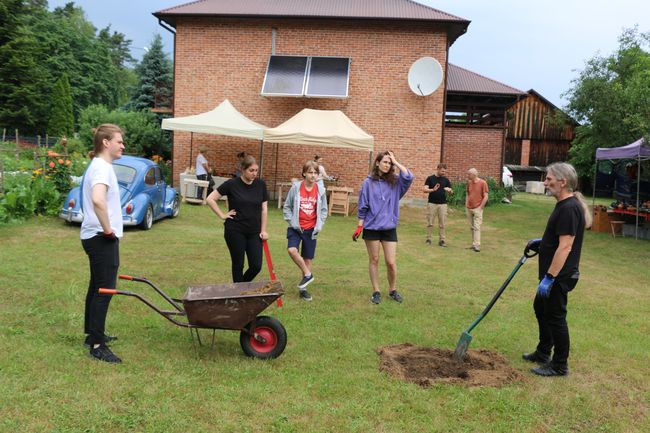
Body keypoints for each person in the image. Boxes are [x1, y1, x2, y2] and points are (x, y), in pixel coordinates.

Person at [522, 162, 591, 377]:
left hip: (559, 275)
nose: (545, 182)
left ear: (563, 182)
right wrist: (542, 243)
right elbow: (559, 238)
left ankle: (560, 365)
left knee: (556, 317)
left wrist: (550, 277)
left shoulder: (569, 208)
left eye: (549, 179)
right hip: (552, 273)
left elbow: (566, 246)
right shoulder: (563, 205)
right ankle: (544, 352)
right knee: (540, 308)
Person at [80, 124, 125, 363]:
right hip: (100, 237)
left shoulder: (99, 166)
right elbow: (98, 200)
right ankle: (98, 345)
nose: (123, 146)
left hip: (93, 236)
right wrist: (108, 229)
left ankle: (92, 334)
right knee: (104, 290)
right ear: (106, 142)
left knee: (96, 286)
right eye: (119, 141)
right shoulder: (102, 168)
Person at [353, 151, 413, 304]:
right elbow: (363, 206)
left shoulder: (396, 182)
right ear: (377, 163)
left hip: (388, 227)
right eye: (385, 162)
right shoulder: (367, 182)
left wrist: (396, 161)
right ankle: (376, 291)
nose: (387, 165)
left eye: (389, 163)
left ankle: (393, 290)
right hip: (371, 227)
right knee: (374, 259)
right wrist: (360, 227)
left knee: (391, 262)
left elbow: (409, 176)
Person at [206, 155, 269, 282]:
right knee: (238, 264)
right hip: (235, 231)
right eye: (251, 170)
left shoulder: (260, 184)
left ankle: (239, 289)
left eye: (256, 170)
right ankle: (238, 295)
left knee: (256, 266)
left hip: (254, 232)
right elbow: (210, 199)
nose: (254, 173)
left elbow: (264, 209)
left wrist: (263, 230)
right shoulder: (232, 184)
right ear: (243, 170)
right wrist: (222, 215)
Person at [283, 160, 328, 301]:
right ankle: (308, 274)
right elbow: (287, 206)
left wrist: (319, 225)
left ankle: (304, 289)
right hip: (296, 228)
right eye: (310, 172)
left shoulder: (320, 190)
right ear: (304, 173)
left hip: (311, 229)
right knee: (292, 250)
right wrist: (292, 221)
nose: (313, 175)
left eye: (315, 173)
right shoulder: (296, 188)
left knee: (308, 258)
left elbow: (324, 210)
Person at [423, 163, 453, 246]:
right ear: (438, 169)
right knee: (430, 222)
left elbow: (451, 191)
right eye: (442, 171)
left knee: (442, 223)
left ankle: (442, 240)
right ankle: (429, 239)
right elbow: (424, 189)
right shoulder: (430, 178)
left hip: (443, 204)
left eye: (445, 171)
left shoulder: (446, 180)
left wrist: (449, 191)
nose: (444, 173)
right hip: (432, 203)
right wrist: (433, 189)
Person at [465, 168, 489, 252]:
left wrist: (481, 207)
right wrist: (466, 203)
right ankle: (474, 244)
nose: (467, 176)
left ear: (474, 175)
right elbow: (467, 193)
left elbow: (486, 196)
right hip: (469, 208)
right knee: (472, 227)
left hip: (477, 208)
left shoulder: (483, 183)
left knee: (477, 227)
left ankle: (477, 245)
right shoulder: (469, 183)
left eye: (469, 174)